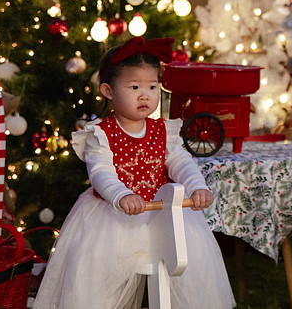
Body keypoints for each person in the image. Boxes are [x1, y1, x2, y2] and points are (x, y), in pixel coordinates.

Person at [34, 37, 235, 309]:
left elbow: (181, 162)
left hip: (160, 215)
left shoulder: (163, 131)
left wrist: (197, 186)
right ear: (108, 91)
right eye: (134, 86)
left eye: (152, 86)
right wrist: (121, 194)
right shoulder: (102, 135)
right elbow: (101, 172)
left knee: (193, 257)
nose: (145, 95)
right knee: (95, 266)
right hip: (114, 218)